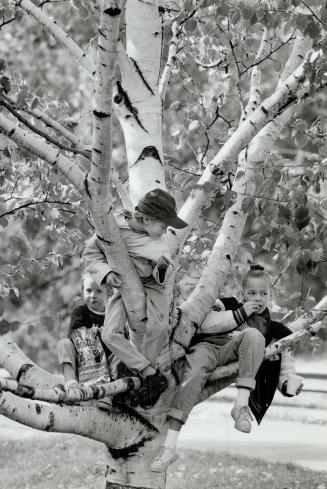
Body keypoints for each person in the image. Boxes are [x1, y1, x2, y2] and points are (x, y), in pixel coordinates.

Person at [151, 265, 303, 472]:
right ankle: (169, 447)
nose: (257, 298)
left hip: (234, 351)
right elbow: (205, 322)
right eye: (251, 293)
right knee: (192, 378)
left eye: (263, 293)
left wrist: (288, 383)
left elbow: (284, 361)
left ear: (270, 295)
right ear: (242, 294)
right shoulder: (227, 304)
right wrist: (240, 312)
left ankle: (240, 408)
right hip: (208, 347)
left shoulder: (275, 330)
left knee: (254, 335)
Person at [82, 188, 188, 408]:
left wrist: (161, 271)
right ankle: (149, 373)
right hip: (124, 283)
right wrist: (105, 273)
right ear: (147, 219)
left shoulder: (159, 244)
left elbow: (164, 274)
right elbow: (90, 254)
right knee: (110, 334)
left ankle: (138, 381)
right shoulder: (115, 226)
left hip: (152, 284)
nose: (165, 230)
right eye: (163, 225)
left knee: (158, 328)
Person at [57, 272, 114, 410]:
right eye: (88, 290)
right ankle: (71, 383)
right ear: (82, 291)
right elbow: (73, 335)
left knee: (121, 353)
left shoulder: (112, 313)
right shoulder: (80, 311)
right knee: (63, 344)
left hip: (104, 366)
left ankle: (109, 393)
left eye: (99, 291)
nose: (93, 295)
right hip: (83, 361)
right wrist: (92, 334)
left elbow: (115, 340)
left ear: (109, 292)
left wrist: (105, 335)